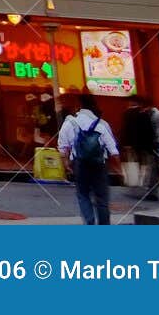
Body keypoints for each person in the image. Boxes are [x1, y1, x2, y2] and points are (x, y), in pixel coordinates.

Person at [57, 92, 118, 224]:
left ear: (78, 107)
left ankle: (89, 222)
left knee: (83, 194)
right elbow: (113, 150)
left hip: (79, 164)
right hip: (99, 164)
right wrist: (118, 168)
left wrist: (66, 163)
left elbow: (63, 147)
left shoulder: (70, 123)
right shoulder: (102, 124)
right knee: (101, 197)